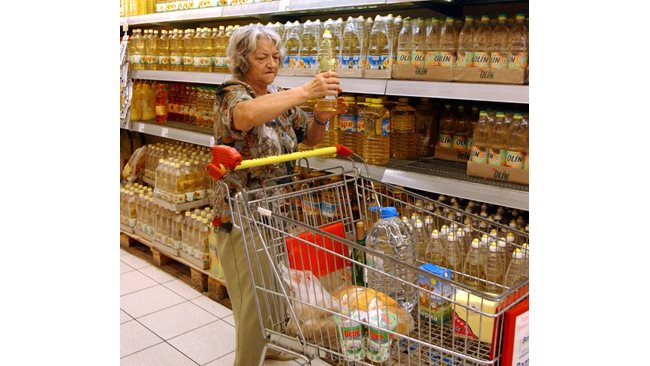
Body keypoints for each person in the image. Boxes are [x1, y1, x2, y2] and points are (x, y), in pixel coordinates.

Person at [211, 25, 347, 365]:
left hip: (274, 213)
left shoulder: (280, 97)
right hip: (241, 213)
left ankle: (267, 346)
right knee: (253, 303)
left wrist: (319, 117)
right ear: (242, 60)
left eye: (275, 56)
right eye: (262, 57)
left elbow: (310, 140)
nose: (271, 63)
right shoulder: (231, 92)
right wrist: (306, 90)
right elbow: (245, 116)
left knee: (272, 292)